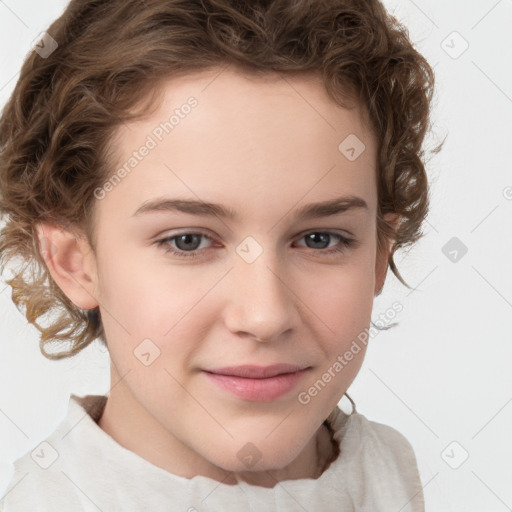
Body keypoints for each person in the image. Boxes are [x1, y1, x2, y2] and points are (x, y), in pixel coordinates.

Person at [0, 0, 439, 510]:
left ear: (380, 252)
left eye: (321, 239)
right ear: (74, 261)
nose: (265, 316)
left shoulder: (386, 471)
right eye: (188, 240)